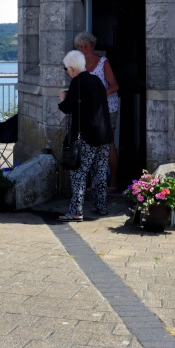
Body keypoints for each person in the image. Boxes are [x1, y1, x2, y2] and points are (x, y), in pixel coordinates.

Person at [57, 49, 113, 221]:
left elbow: (67, 108)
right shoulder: (96, 80)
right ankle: (101, 206)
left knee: (79, 173)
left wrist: (62, 98)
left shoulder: (77, 83)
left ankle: (76, 211)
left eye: (67, 70)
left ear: (72, 69)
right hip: (104, 134)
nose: (68, 73)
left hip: (86, 136)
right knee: (100, 171)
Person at [74, 32, 120, 190]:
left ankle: (113, 182)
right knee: (89, 145)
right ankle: (94, 184)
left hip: (108, 109)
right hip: (90, 111)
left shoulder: (103, 62)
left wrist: (99, 95)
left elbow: (115, 86)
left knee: (108, 144)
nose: (83, 48)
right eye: (80, 46)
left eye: (86, 45)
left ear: (92, 46)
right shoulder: (79, 65)